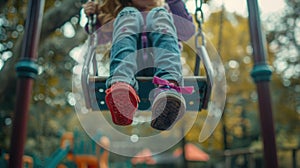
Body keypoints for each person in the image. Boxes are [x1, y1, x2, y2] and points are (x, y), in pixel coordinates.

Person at [83, 0, 195, 130]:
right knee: (128, 14)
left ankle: (168, 89)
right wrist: (93, 19)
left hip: (161, 66)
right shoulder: (119, 16)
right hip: (129, 68)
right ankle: (122, 88)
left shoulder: (164, 9)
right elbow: (97, 38)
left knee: (159, 14)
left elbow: (187, 31)